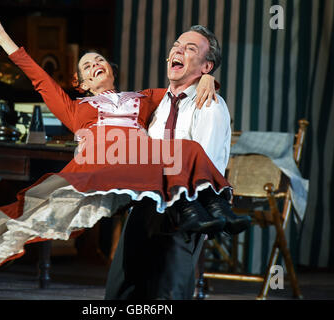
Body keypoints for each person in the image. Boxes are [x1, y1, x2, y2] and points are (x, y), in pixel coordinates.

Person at [0, 15, 233, 290]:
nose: (94, 65)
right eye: (86, 66)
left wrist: (209, 79)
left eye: (99, 60)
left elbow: (184, 85)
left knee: (186, 150)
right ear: (82, 83)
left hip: (135, 167)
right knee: (32, 216)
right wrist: (3, 38)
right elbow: (39, 79)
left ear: (112, 70)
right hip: (100, 166)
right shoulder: (76, 108)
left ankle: (210, 207)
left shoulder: (145, 98)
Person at [105, 25, 251, 300]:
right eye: (176, 45)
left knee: (168, 294)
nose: (178, 50)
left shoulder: (209, 105)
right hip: (146, 204)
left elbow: (203, 166)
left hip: (184, 208)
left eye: (191, 48)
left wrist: (209, 82)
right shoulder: (157, 103)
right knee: (121, 291)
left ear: (206, 66)